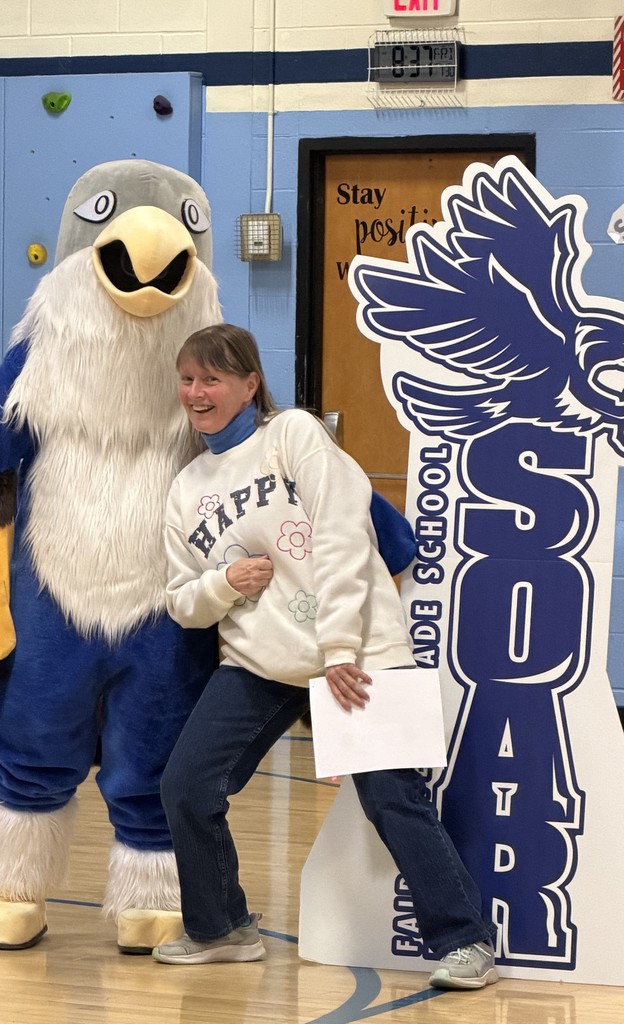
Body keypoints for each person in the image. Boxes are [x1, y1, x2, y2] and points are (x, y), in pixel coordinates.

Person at [152, 323, 498, 989]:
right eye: (187, 379)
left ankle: (466, 941)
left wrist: (339, 645)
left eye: (211, 379)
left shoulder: (294, 435)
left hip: (360, 646)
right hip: (260, 660)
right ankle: (221, 928)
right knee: (186, 784)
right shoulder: (186, 486)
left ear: (250, 384)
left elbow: (343, 536)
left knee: (392, 795)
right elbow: (181, 603)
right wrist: (225, 583)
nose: (196, 393)